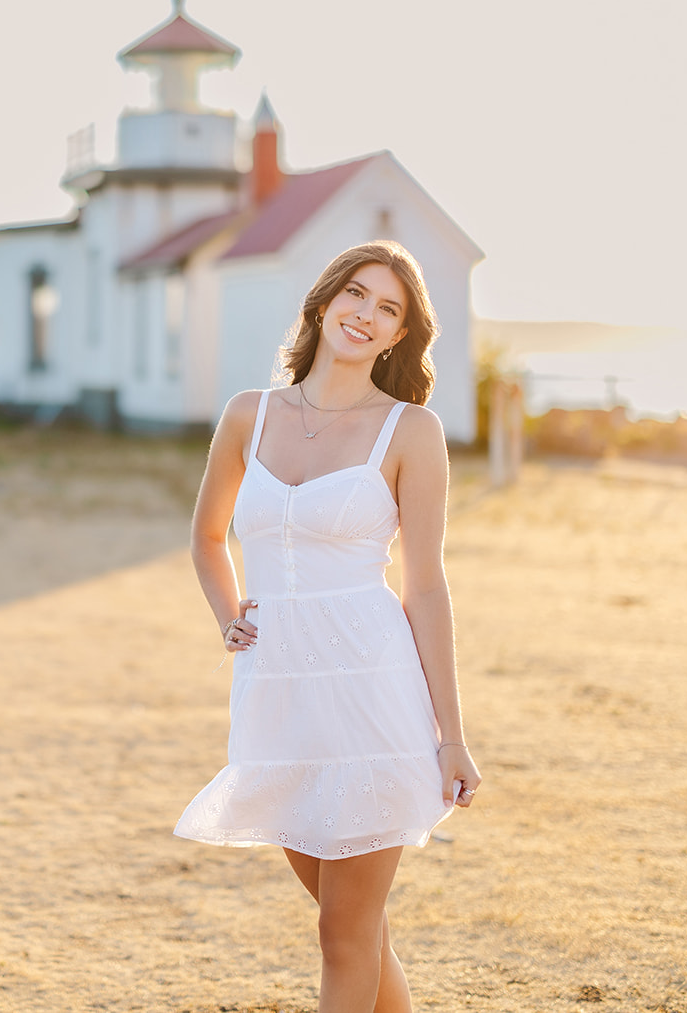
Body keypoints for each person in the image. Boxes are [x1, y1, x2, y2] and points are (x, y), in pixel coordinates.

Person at [174, 240, 481, 1012]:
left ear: (399, 337)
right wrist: (228, 617)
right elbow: (208, 537)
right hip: (279, 694)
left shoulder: (411, 431)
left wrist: (451, 734)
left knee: (344, 933)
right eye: (357, 294)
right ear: (322, 302)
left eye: (389, 309)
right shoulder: (251, 413)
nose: (366, 314)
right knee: (353, 926)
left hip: (372, 697)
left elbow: (426, 585)